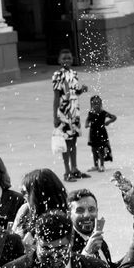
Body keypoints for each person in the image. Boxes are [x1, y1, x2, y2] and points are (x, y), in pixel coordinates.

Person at [52, 48, 90, 182]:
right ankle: (67, 171)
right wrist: (55, 116)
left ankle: (74, 168)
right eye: (64, 58)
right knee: (66, 141)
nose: (67, 61)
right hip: (64, 112)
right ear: (59, 61)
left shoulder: (74, 73)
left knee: (73, 141)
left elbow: (73, 93)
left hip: (74, 111)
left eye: (69, 58)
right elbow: (57, 96)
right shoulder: (58, 75)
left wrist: (81, 91)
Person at [12, 169, 68, 246]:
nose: (23, 197)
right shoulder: (25, 210)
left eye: (25, 192)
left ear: (37, 196)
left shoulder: (64, 219)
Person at [67, 189, 117, 268]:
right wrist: (87, 253)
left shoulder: (101, 242)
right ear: (69, 214)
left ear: (97, 211)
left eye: (91, 209)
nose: (87, 215)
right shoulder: (67, 244)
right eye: (80, 210)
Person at [84, 95, 117, 172]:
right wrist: (86, 123)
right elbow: (87, 119)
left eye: (98, 103)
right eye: (94, 103)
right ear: (91, 105)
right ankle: (96, 166)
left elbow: (114, 117)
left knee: (101, 149)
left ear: (101, 104)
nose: (97, 105)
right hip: (93, 133)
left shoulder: (103, 113)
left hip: (101, 133)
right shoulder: (91, 113)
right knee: (94, 149)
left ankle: (102, 165)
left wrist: (109, 121)